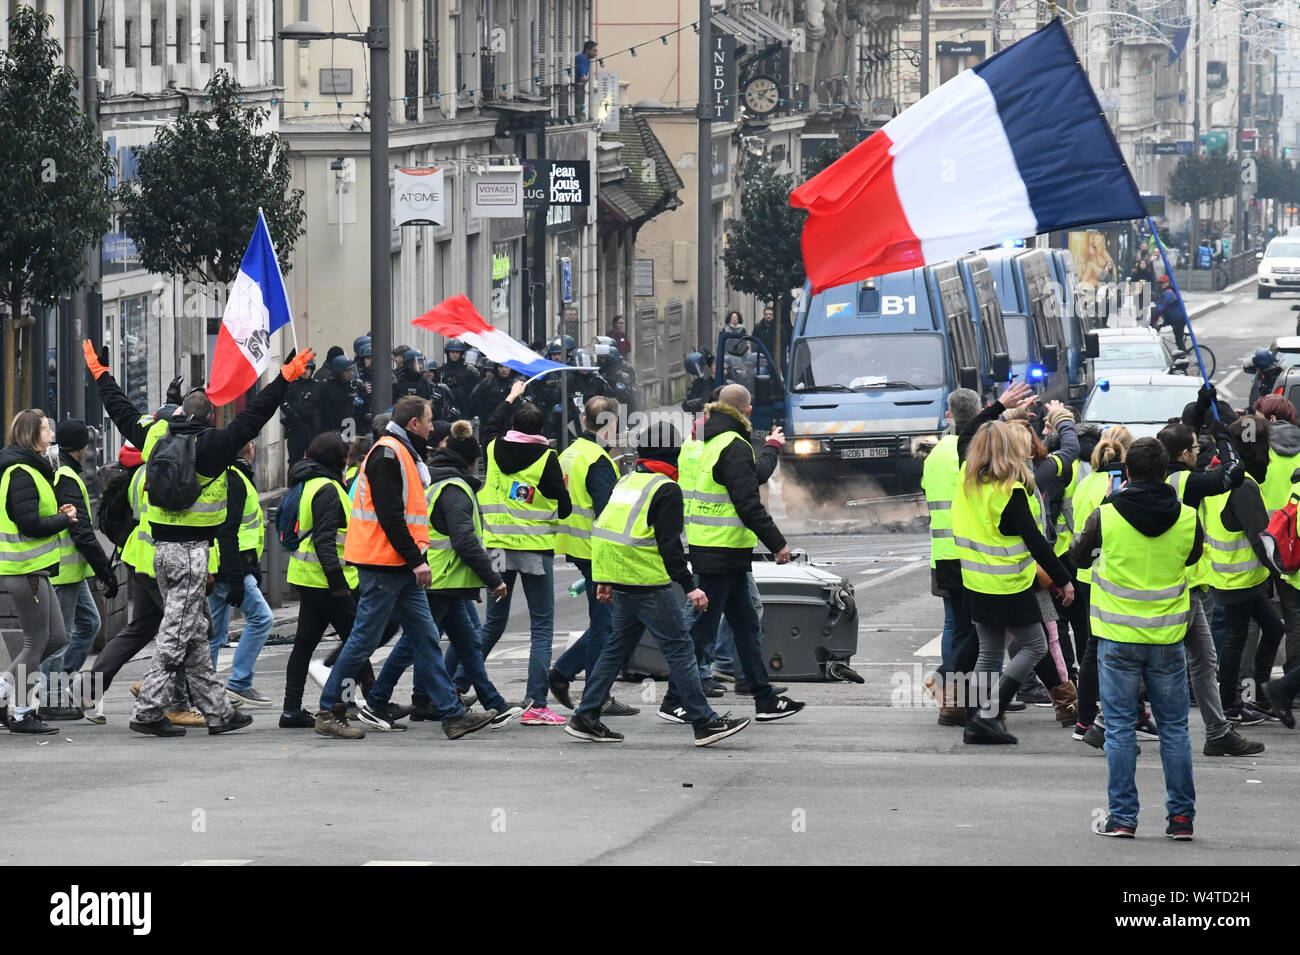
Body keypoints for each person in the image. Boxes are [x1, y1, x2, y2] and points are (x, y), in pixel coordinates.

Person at [83, 339, 310, 737]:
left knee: (194, 633)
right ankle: (149, 711)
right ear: (210, 417)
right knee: (175, 634)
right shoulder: (215, 445)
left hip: (158, 553)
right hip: (191, 556)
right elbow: (255, 416)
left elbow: (120, 410)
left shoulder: (153, 438)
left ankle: (219, 711)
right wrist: (285, 379)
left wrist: (102, 374)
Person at [317, 395, 494, 740]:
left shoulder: (401, 452)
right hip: (384, 563)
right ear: (413, 423)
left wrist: (414, 559)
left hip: (393, 563)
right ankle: (329, 709)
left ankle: (452, 714)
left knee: (425, 637)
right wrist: (416, 560)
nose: (432, 426)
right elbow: (390, 515)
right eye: (429, 420)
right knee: (363, 640)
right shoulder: (389, 453)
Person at [566, 421, 751, 746]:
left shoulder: (628, 481)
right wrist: (690, 585)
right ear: (672, 456)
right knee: (679, 648)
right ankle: (704, 721)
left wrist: (605, 577)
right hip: (648, 582)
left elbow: (604, 530)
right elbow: (670, 546)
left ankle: (586, 715)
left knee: (616, 648)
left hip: (621, 579)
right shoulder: (666, 489)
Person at [1072, 437, 1200, 839]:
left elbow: (1078, 557)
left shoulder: (1105, 515)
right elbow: (1192, 557)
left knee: (1121, 728)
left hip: (1117, 638)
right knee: (1174, 729)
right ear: (1166, 472)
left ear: (1126, 471)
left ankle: (1123, 818)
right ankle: (1181, 819)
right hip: (1166, 638)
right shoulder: (1186, 517)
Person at [951, 382, 1074, 744]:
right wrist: (1062, 579)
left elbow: (966, 437)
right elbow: (1037, 543)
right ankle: (988, 715)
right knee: (1035, 646)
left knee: (989, 653)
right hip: (1009, 586)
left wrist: (996, 408)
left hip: (976, 585)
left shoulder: (966, 479)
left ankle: (977, 717)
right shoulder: (1011, 491)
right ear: (1008, 449)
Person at [674, 383, 804, 722]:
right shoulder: (732, 444)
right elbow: (747, 502)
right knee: (701, 631)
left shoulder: (702, 440)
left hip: (718, 548)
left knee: (745, 625)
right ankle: (675, 697)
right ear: (747, 411)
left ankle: (763, 698)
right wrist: (778, 543)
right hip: (720, 549)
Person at [396, 420, 521, 725]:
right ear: (471, 461)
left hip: (443, 579)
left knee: (467, 643)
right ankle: (383, 699)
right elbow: (464, 539)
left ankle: (491, 702)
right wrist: (493, 579)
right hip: (442, 579)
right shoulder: (454, 488)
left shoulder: (435, 482)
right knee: (416, 645)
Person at [75, 428, 200, 728]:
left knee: (142, 628)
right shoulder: (163, 471)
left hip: (138, 557)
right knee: (182, 629)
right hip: (159, 562)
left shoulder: (141, 472)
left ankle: (87, 689)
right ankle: (174, 701)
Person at [1156, 408, 1264, 757]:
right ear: (1185, 454)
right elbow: (1232, 474)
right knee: (1169, 660)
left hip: (1186, 584)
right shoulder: (1184, 481)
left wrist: (1203, 406)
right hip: (1181, 586)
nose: (1199, 454)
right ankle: (1103, 725)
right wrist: (1223, 436)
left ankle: (1217, 731)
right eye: (1194, 449)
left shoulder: (1162, 477)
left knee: (1203, 659)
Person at [471, 380, 572, 724]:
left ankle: (454, 685)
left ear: (513, 427)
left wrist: (511, 396)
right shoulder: (547, 458)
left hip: (497, 548)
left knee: (491, 626)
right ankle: (535, 703)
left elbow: (492, 425)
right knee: (541, 627)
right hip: (533, 551)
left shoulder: (493, 448)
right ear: (541, 429)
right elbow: (567, 507)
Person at [547, 396, 638, 716]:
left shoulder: (569, 453)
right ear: (609, 424)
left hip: (576, 546)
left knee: (605, 622)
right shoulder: (598, 460)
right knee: (608, 626)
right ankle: (596, 695)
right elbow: (608, 515)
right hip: (597, 550)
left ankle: (562, 674)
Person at [1204, 414, 1284, 725]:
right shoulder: (1244, 487)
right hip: (1238, 578)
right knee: (1235, 638)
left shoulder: (1224, 474)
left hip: (1233, 576)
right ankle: (1231, 706)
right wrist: (1282, 572)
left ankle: (1254, 696)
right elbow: (1261, 539)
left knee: (1271, 629)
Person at [0, 410, 74, 734]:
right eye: (46, 428)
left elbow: (32, 513)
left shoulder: (33, 469)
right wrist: (63, 521)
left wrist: (57, 513)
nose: (51, 433)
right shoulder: (20, 472)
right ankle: (20, 711)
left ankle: (8, 696)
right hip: (25, 568)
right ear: (33, 435)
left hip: (34, 569)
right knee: (36, 640)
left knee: (56, 637)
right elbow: (29, 523)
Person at [40, 419, 118, 720]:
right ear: (83, 447)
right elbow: (81, 531)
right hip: (64, 571)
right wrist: (105, 571)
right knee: (59, 637)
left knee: (89, 624)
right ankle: (51, 698)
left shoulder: (66, 473)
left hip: (72, 571)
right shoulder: (67, 478)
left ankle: (63, 680)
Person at [281, 432, 358, 728]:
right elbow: (326, 541)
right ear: (337, 458)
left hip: (309, 577)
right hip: (327, 582)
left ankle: (290, 710)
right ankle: (354, 703)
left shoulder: (311, 483)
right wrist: (338, 583)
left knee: (304, 643)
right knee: (357, 643)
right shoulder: (328, 488)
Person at [921, 388, 980, 726]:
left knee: (953, 625)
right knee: (985, 629)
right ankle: (974, 697)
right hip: (976, 554)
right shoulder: (978, 448)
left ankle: (951, 699)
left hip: (942, 554)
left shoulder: (935, 454)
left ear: (949, 415)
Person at [207, 440, 275, 707]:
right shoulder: (235, 478)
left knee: (213, 634)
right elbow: (229, 531)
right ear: (249, 448)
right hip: (232, 566)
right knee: (262, 618)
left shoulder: (229, 475)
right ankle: (240, 683)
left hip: (222, 565)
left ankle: (207, 691)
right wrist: (236, 576)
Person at [280, 355, 321, 463]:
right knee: (294, 461)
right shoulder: (292, 386)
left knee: (314, 460)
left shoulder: (316, 386)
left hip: (312, 429)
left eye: (308, 368)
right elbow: (283, 403)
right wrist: (294, 417)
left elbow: (321, 407)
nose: (305, 371)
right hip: (295, 429)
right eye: (303, 368)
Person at [319, 354, 370, 437]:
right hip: (334, 430)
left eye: (352, 370)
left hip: (352, 429)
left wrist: (364, 395)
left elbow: (365, 408)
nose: (351, 373)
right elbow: (325, 412)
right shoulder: (327, 387)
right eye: (347, 371)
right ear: (339, 371)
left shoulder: (354, 385)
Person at [436, 339, 479, 414]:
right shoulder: (441, 371)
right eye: (452, 352)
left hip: (465, 409)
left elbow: (475, 395)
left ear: (461, 353)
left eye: (457, 352)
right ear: (448, 353)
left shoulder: (470, 372)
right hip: (445, 410)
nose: (454, 354)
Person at [1150, 274, 1187, 351]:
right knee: (1178, 341)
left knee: (1179, 341)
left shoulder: (1168, 293)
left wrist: (1152, 320)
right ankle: (1182, 355)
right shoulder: (1169, 291)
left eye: (1163, 283)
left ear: (1168, 283)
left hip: (1178, 319)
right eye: (1160, 283)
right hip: (1177, 318)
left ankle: (1184, 358)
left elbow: (1161, 308)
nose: (1161, 285)